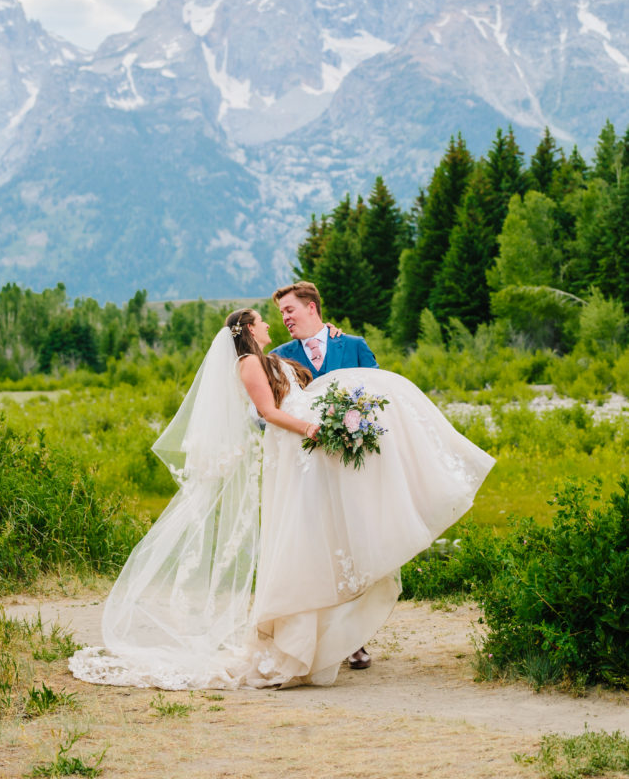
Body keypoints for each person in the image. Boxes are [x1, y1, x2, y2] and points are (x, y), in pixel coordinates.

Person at [69, 306, 495, 691]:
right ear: (249, 328)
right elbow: (269, 414)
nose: (272, 323)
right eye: (264, 319)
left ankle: (333, 632)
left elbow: (302, 388)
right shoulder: (249, 363)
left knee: (327, 530)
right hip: (293, 453)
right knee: (302, 537)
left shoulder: (270, 359)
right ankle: (298, 638)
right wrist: (311, 429)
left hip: (304, 454)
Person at [270, 280, 377, 669]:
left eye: (289, 311)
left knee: (354, 549)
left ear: (311, 307)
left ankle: (355, 638)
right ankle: (325, 639)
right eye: (281, 313)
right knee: (318, 551)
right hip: (307, 472)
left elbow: (380, 399)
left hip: (351, 469)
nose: (284, 319)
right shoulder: (278, 357)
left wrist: (355, 428)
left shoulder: (354, 346)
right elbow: (266, 414)